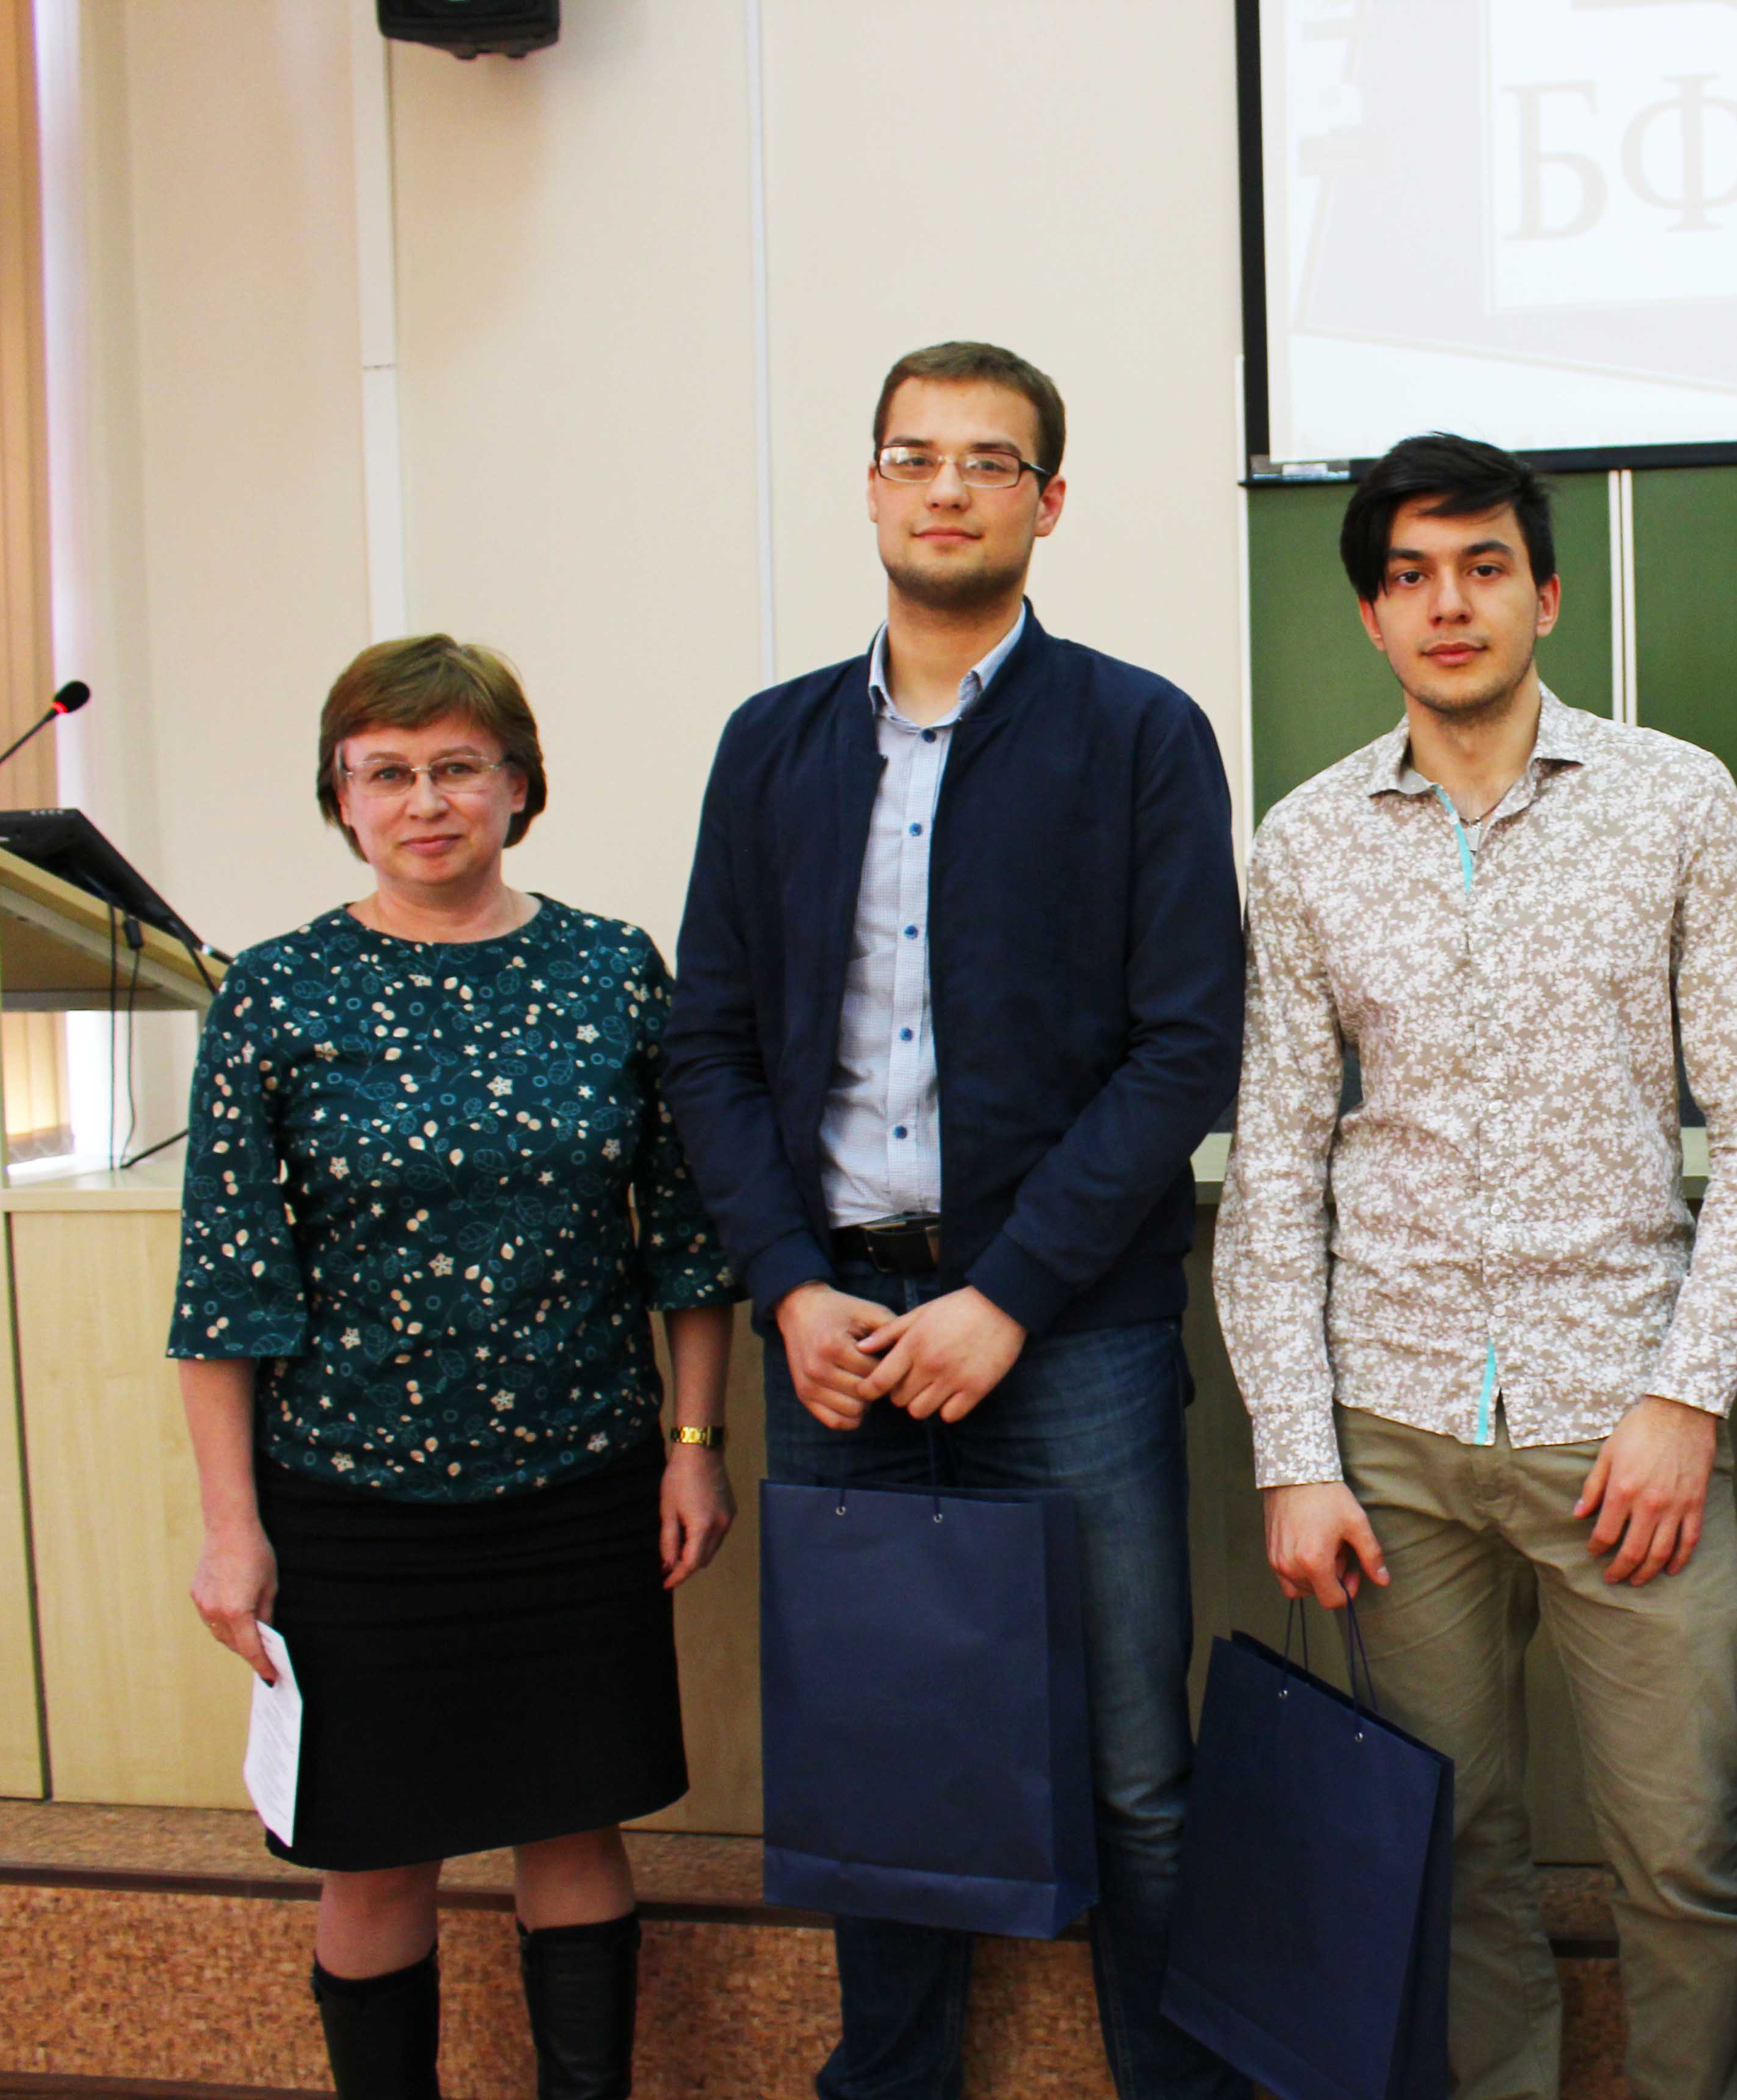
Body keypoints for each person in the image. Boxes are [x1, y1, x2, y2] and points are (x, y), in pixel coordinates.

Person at [663, 341, 1247, 2100]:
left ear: (1047, 504)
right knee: (881, 1762)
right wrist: (784, 1286)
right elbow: (710, 1047)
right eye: (914, 456)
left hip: (1070, 1341)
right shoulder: (771, 745)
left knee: (1138, 1774)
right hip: (838, 1333)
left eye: (990, 462)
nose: (947, 489)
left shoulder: (1138, 734)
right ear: (870, 487)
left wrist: (1008, 1294)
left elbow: (1184, 1048)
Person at [1214, 433, 1737, 2100]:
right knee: (1453, 1857)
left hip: (1624, 1427)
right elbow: (1275, 1173)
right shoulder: (1308, 842)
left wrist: (1686, 1399)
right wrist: (1295, 1455)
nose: (1449, 604)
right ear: (1369, 616)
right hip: (1395, 1437)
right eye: (1409, 576)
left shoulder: (1673, 801)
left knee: (1683, 1859)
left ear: (1547, 594)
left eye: (1483, 567)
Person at [171, 634, 739, 2100]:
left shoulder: (613, 970)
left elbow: (686, 1242)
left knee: (575, 1827)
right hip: (351, 1506)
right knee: (372, 1858)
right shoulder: (277, 993)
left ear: (519, 786)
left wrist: (694, 1446)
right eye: (386, 774)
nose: (425, 802)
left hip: (579, 1486)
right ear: (342, 800)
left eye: (457, 767)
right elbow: (227, 1289)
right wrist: (232, 1529)